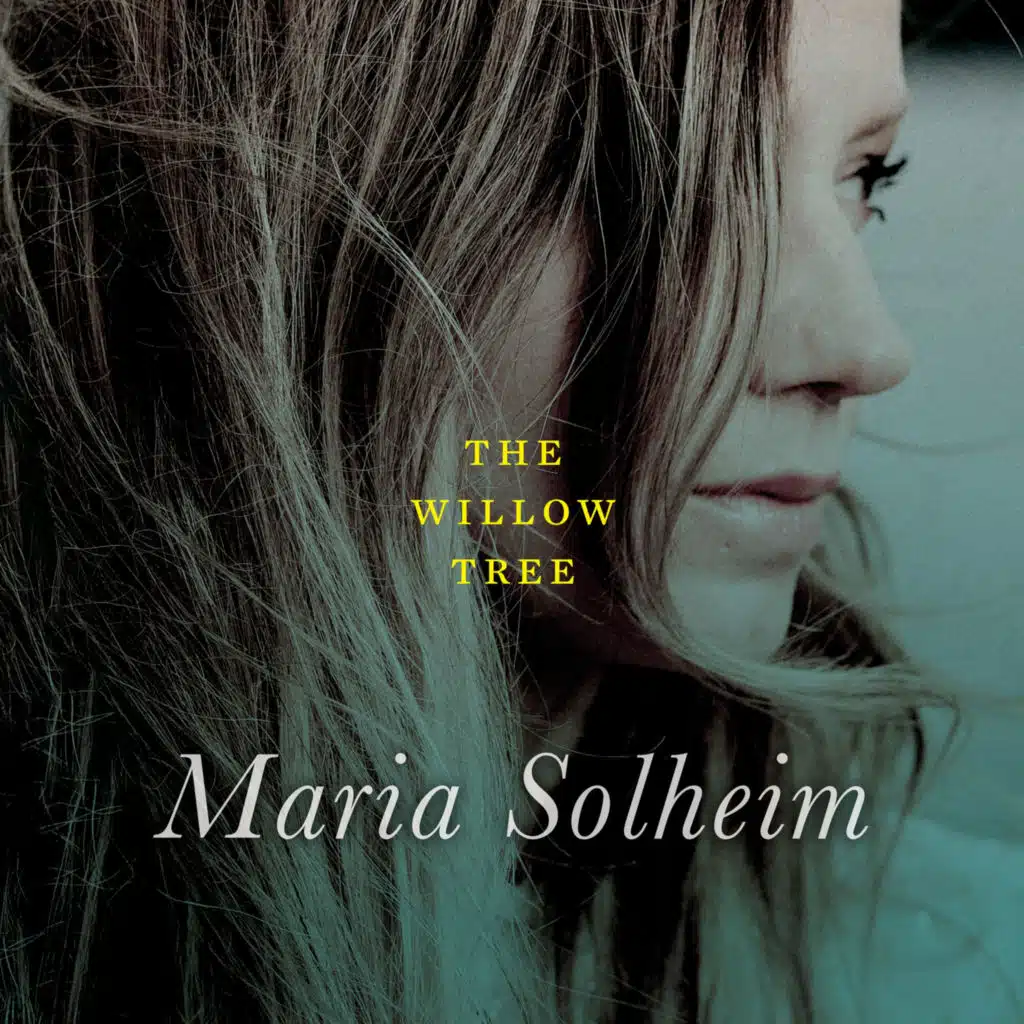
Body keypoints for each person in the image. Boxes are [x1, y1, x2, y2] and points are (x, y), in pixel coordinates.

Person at [1, 0, 1020, 1020]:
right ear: (271, 218)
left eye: (866, 176)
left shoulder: (948, 965)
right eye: (665, 175)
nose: (864, 349)